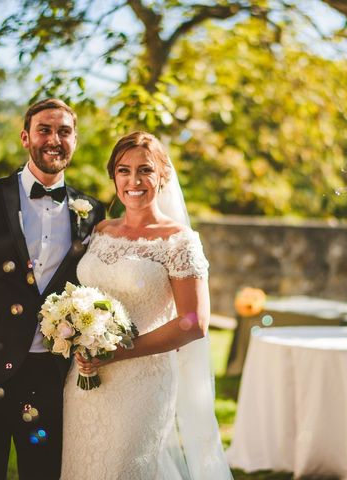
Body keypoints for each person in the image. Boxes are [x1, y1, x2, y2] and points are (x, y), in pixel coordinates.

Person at [0, 98, 105, 479]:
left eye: (64, 131)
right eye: (44, 129)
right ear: (25, 137)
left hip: (52, 382)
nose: (54, 139)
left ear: (75, 140)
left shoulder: (92, 212)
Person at [60, 131, 232, 479]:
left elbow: (194, 322)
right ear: (113, 176)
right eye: (124, 170)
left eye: (145, 170)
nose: (133, 181)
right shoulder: (102, 230)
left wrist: (117, 352)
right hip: (85, 377)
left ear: (162, 176)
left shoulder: (178, 240)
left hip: (144, 381)